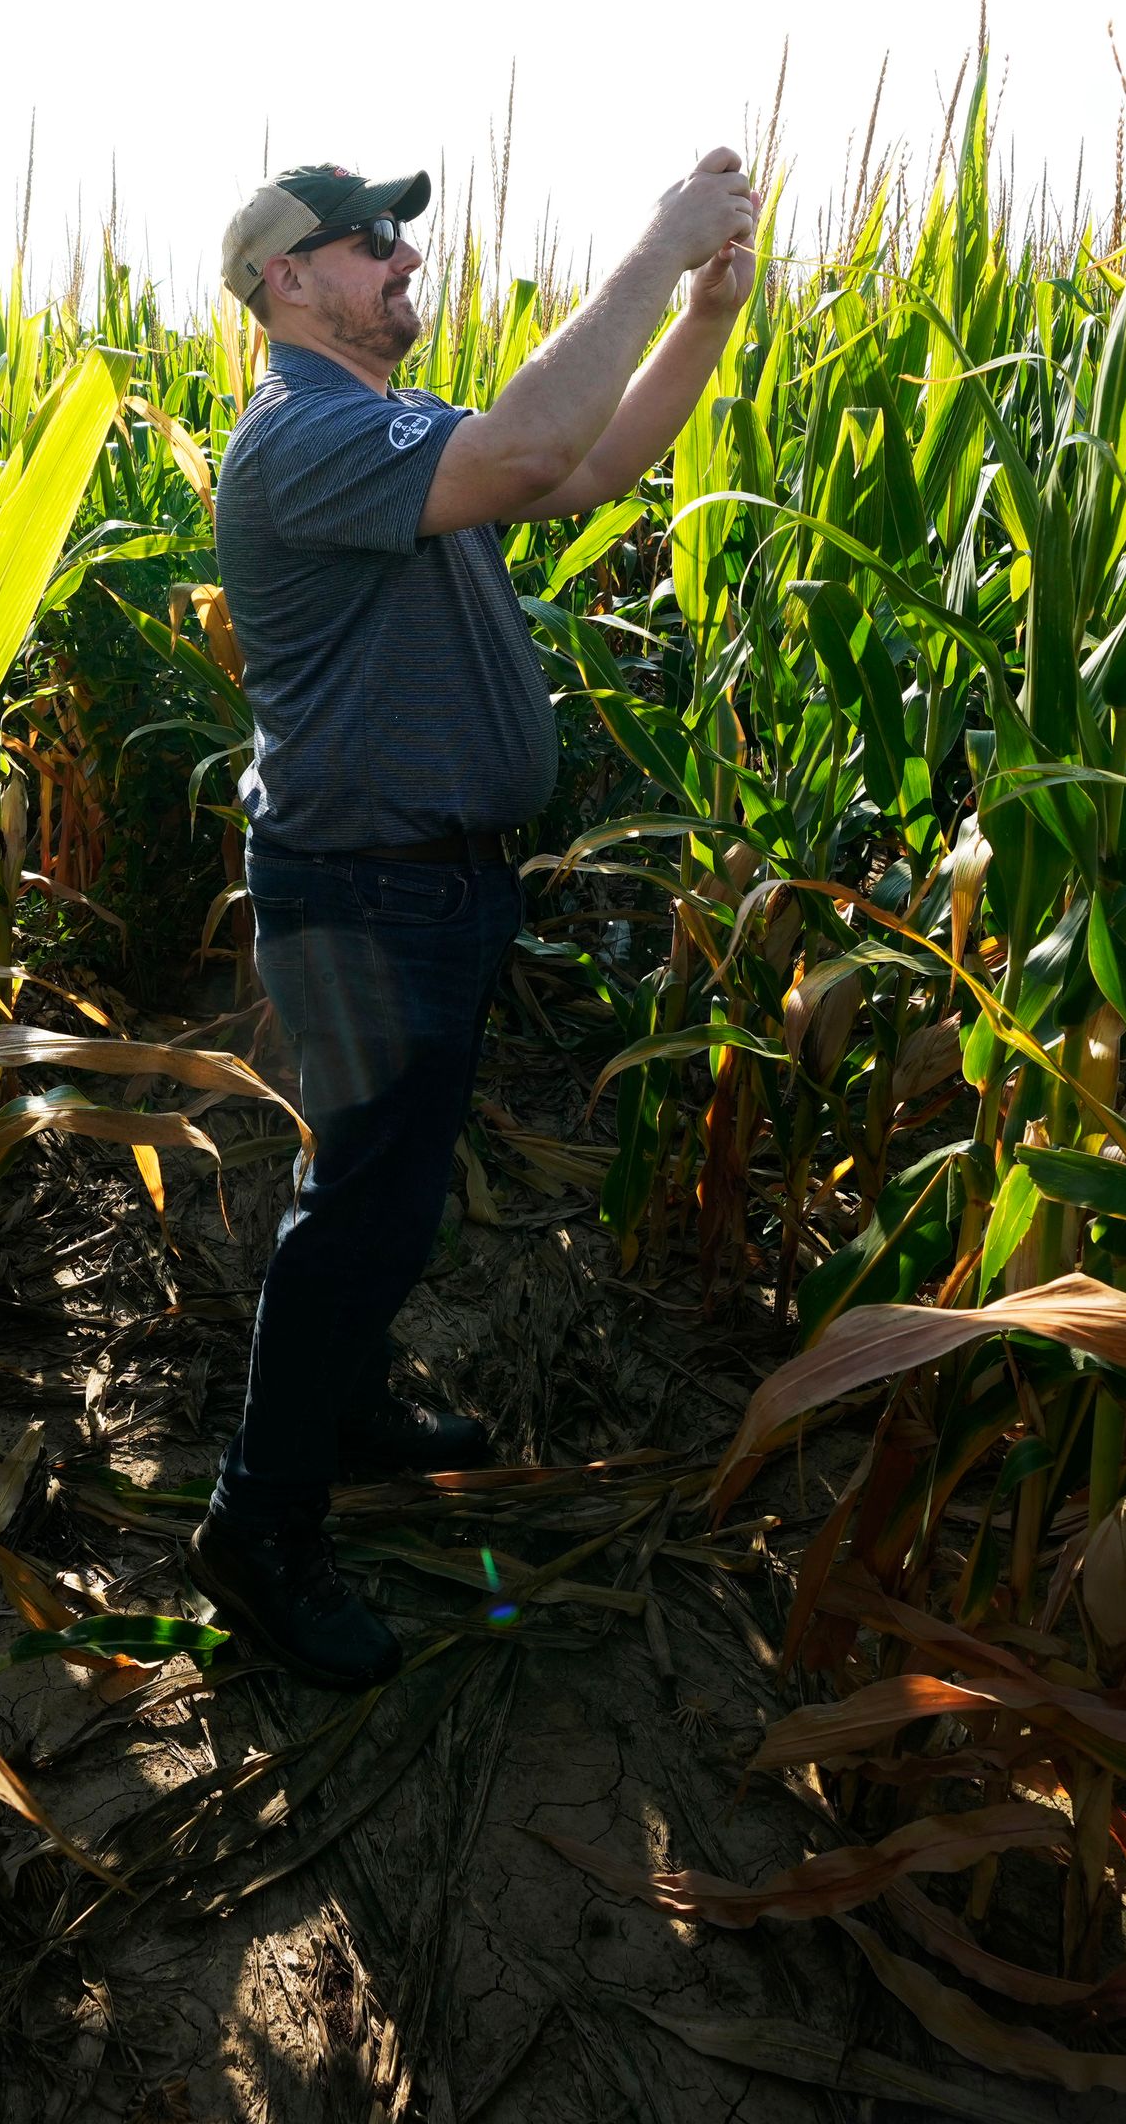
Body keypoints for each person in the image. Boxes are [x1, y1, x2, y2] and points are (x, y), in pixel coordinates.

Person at [186, 148, 761, 1689]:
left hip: (425, 887)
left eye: (401, 239)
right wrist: (656, 239)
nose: (402, 258)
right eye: (369, 241)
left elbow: (582, 470)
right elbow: (523, 457)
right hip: (364, 894)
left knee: (392, 1188)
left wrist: (703, 319)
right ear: (282, 281)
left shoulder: (386, 429)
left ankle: (350, 1404)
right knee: (360, 1208)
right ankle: (258, 1524)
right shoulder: (296, 439)